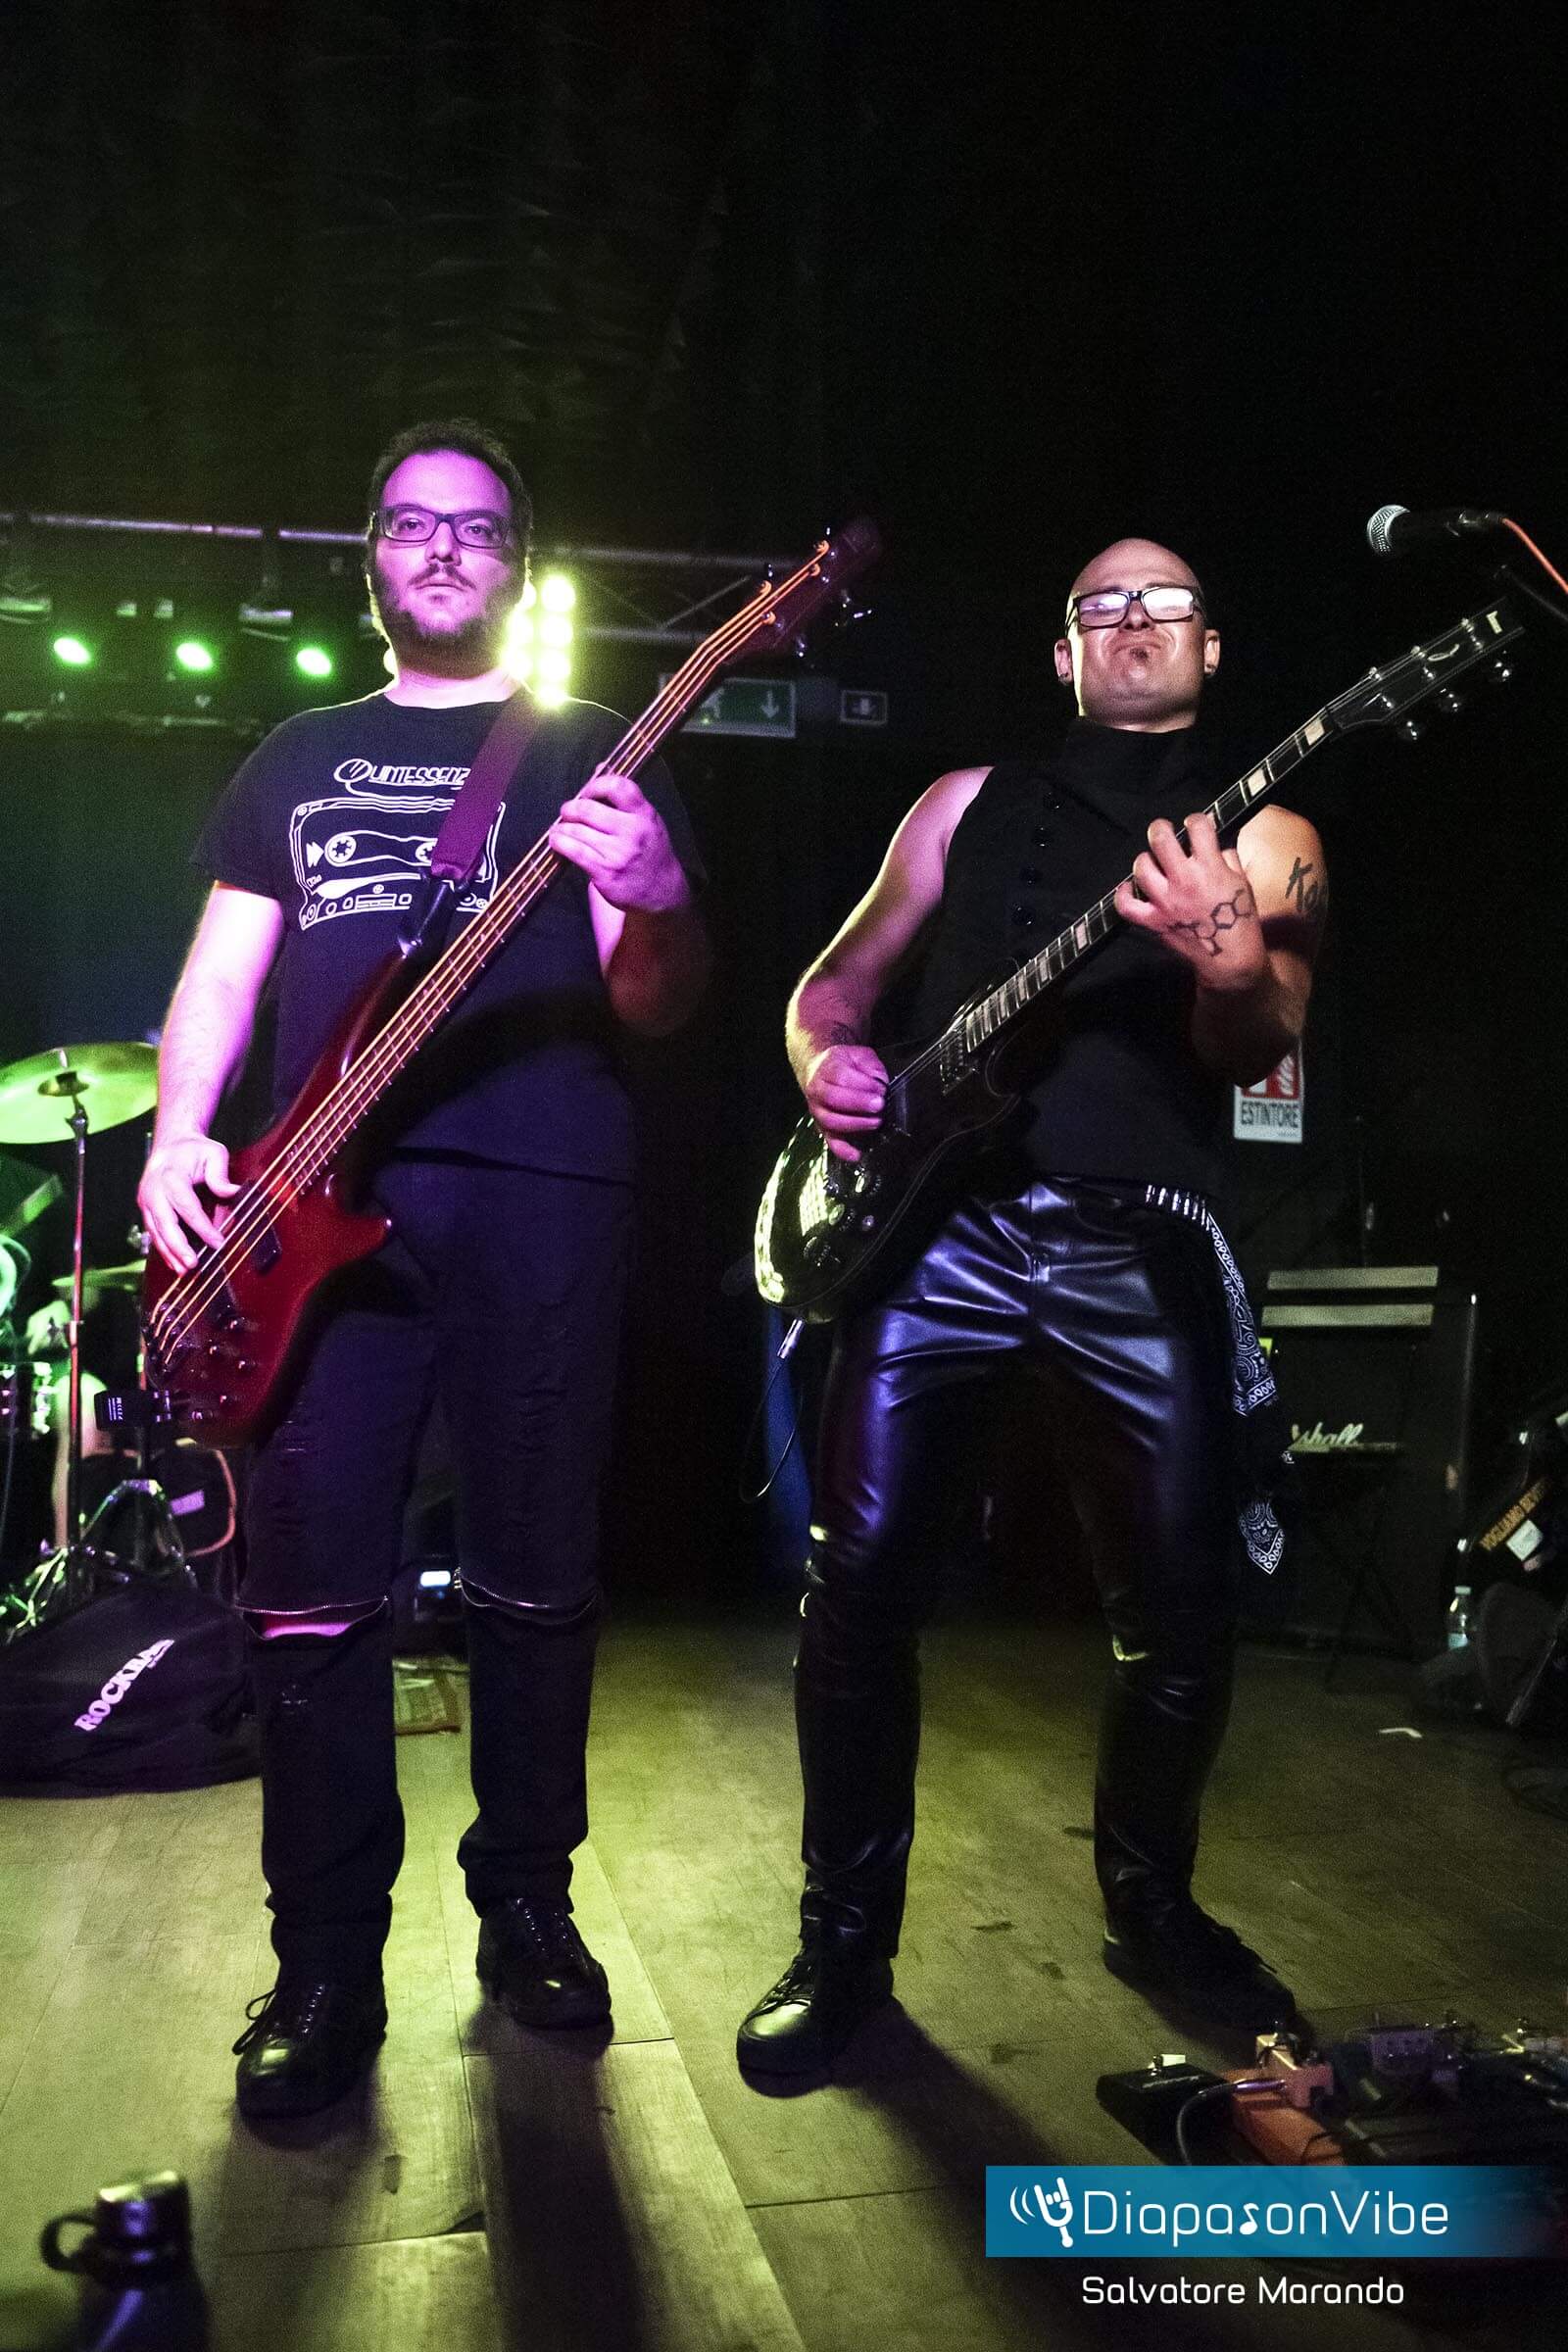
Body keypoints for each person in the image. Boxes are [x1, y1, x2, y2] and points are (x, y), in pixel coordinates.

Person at [138, 418, 709, 2119]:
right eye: (410, 523)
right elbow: (222, 973)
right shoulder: (296, 754)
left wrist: (659, 892)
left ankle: (526, 1906)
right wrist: (177, 1138)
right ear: (370, 561)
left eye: (475, 526)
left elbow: (656, 999)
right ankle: (324, 1962)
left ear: (518, 565)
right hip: (319, 1218)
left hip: (546, 1189)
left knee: (537, 1574)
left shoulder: (594, 744)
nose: (443, 546)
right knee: (311, 1594)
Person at [737, 538, 1327, 2076]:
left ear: (1211, 647)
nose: (1132, 621)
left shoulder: (1269, 832)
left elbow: (1261, 1039)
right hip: (935, 1229)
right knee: (858, 1590)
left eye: (1165, 602)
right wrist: (828, 1062)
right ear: (1063, 653)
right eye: (1099, 605)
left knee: (1180, 1612)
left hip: (1141, 1239)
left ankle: (1153, 1907)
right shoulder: (961, 802)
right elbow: (829, 989)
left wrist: (1228, 961)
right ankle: (842, 1943)